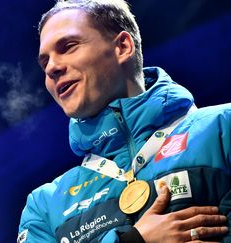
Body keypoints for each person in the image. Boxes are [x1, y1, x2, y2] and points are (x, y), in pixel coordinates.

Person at [17, 0, 231, 242]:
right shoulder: (44, 206)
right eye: (45, 62)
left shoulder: (223, 128)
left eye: (68, 46)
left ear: (122, 47)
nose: (52, 68)